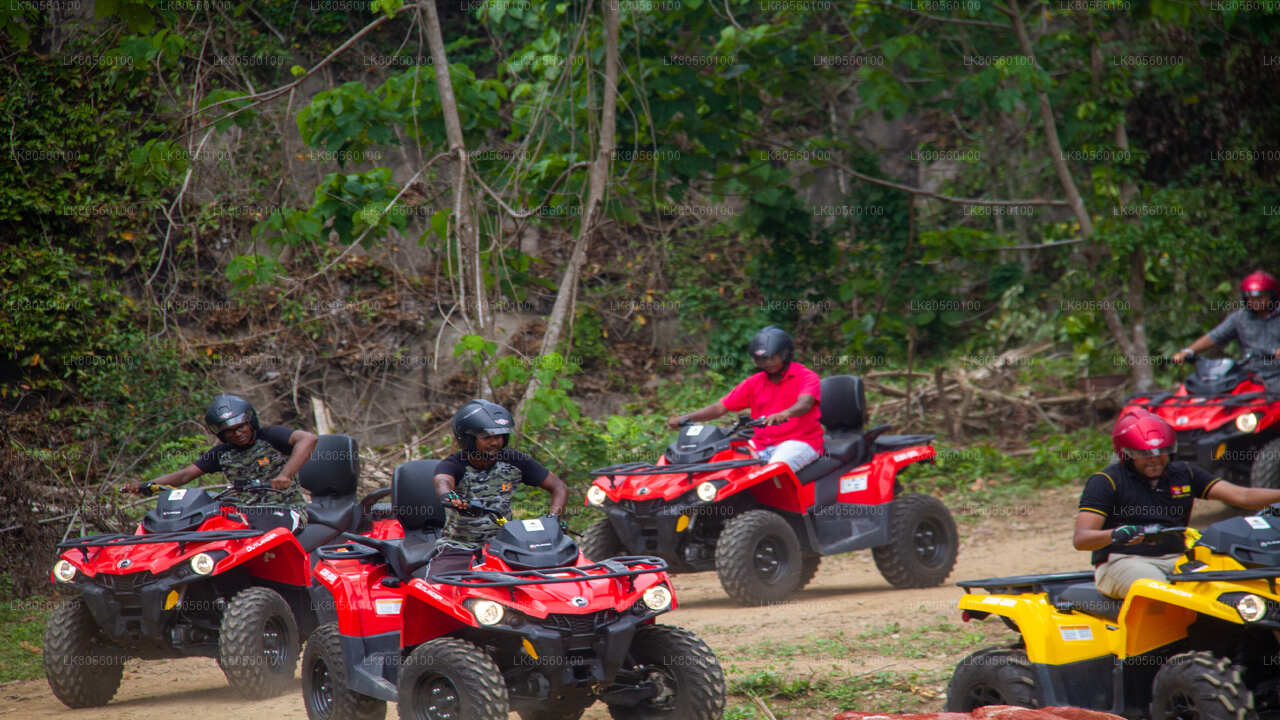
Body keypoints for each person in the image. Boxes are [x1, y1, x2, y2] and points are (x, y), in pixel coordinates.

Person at [1073, 408, 1280, 598]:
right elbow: (1082, 539)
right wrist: (1116, 534)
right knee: (1163, 594)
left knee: (1235, 590)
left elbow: (1242, 496)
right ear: (1126, 453)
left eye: (1161, 452)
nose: (1154, 459)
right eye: (1144, 454)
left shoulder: (1184, 472)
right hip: (1122, 562)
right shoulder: (1106, 481)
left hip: (1179, 559)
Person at [427, 399, 569, 579]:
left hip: (507, 545)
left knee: (548, 582)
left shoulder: (514, 460)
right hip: (460, 547)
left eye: (499, 436)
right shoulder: (454, 464)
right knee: (437, 589)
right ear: (468, 439)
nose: (495, 442)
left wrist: (553, 520)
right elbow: (442, 482)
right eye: (487, 437)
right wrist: (450, 496)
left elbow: (559, 487)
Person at [126, 394, 318, 522]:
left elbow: (308, 439)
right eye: (229, 431)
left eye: (241, 427)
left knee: (268, 532)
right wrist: (145, 485)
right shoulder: (222, 453)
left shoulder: (270, 436)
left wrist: (285, 475)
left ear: (250, 422)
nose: (237, 434)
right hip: (243, 516)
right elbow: (185, 475)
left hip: (287, 511)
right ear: (221, 434)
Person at [665, 325, 822, 473]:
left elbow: (805, 403)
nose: (766, 363)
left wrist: (785, 414)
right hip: (760, 444)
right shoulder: (755, 382)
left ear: (785, 354)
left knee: (772, 472)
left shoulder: (806, 376)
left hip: (800, 442)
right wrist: (685, 418)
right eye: (760, 359)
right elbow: (720, 407)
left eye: (771, 358)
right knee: (723, 465)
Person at [1172, 270, 1280, 367]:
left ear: (1272, 296)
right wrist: (1188, 351)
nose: (1255, 302)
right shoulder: (1240, 318)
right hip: (1252, 372)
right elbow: (1215, 336)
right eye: (1251, 298)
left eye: (1260, 298)